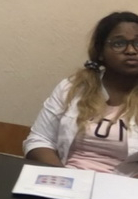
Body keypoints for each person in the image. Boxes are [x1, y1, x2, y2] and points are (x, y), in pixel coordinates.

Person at [25, 12, 138, 175]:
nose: (131, 50)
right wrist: (64, 178)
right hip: (67, 178)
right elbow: (40, 140)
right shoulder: (73, 88)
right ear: (100, 51)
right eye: (119, 43)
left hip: (124, 186)